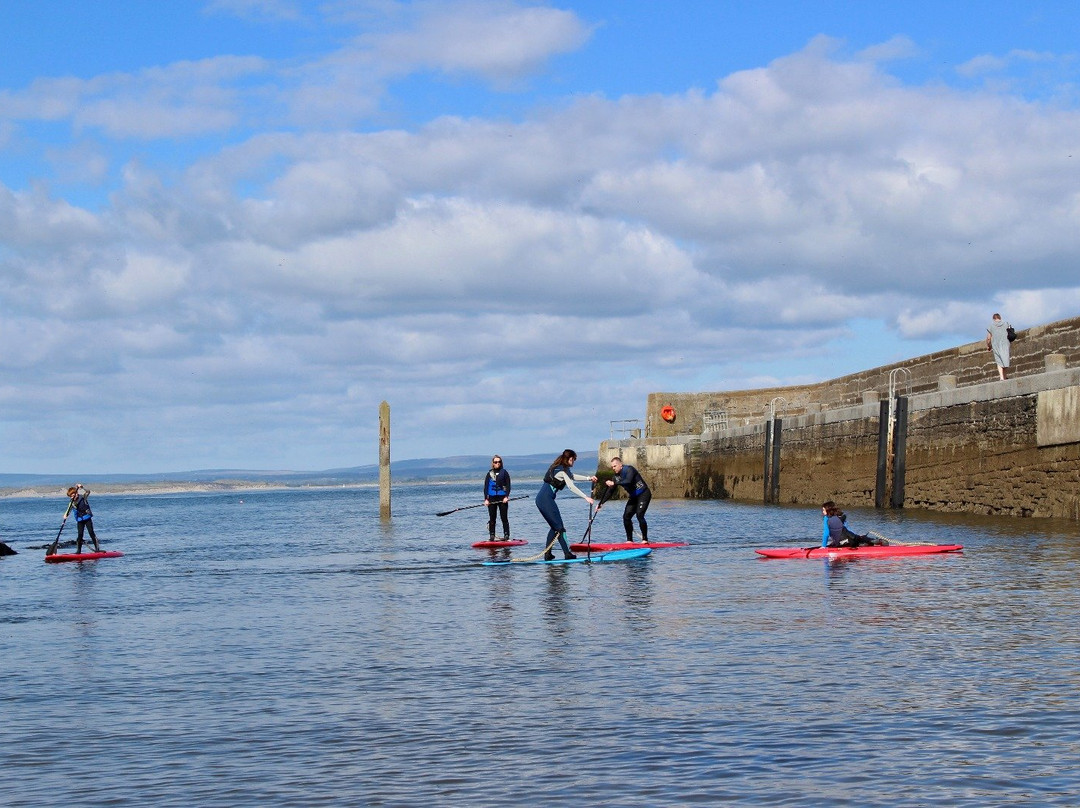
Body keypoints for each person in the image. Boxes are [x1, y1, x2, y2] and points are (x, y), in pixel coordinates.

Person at [535, 449, 597, 560]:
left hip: (542, 500)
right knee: (560, 528)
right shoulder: (561, 470)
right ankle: (567, 554)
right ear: (569, 459)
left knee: (555, 527)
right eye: (573, 459)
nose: (574, 462)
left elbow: (572, 476)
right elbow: (571, 486)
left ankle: (548, 554)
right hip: (546, 500)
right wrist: (585, 497)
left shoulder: (561, 468)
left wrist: (588, 478)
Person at [599, 456, 652, 542]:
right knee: (626, 517)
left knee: (639, 515)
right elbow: (610, 492)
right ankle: (629, 540)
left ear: (621, 465)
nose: (613, 468)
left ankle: (645, 539)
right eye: (612, 467)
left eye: (615, 466)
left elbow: (628, 481)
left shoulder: (629, 469)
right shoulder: (615, 477)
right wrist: (601, 503)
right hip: (634, 497)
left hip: (644, 494)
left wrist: (614, 483)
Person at [483, 455, 512, 540]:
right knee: (492, 518)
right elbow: (486, 487)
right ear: (493, 463)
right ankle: (492, 535)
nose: (497, 463)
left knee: (504, 517)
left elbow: (508, 485)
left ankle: (506, 534)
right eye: (496, 462)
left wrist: (506, 496)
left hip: (502, 497)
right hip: (492, 498)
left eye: (499, 462)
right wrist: (486, 499)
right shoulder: (489, 474)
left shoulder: (504, 472)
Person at [68, 484, 101, 554]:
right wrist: (66, 515)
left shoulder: (83, 497)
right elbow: (69, 510)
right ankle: (78, 551)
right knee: (80, 535)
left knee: (91, 532)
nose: (73, 497)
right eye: (71, 496)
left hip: (87, 517)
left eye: (73, 495)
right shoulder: (72, 503)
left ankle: (97, 549)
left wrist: (82, 487)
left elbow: (88, 491)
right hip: (80, 520)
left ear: (76, 493)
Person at [986, 313, 1013, 380]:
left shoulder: (991, 326)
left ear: (993, 319)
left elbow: (989, 338)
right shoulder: (1006, 323)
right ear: (1000, 318)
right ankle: (1005, 376)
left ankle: (1001, 377)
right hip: (1005, 344)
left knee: (999, 361)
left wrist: (988, 345)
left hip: (996, 345)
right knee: (1005, 360)